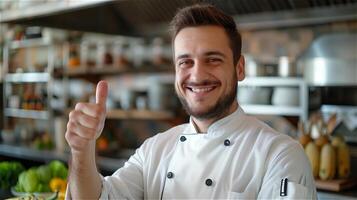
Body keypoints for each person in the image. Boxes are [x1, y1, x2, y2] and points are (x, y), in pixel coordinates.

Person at [65, 4, 317, 199]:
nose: (196, 75)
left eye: (213, 59)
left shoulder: (280, 155)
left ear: (239, 69)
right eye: (185, 62)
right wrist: (81, 150)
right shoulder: (154, 150)